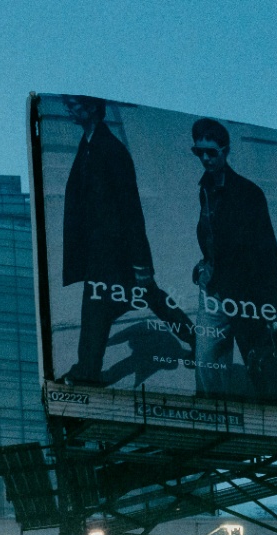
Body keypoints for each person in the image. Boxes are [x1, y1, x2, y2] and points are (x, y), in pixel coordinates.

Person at [58, 96, 189, 385]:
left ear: (91, 108)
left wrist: (142, 262)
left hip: (116, 251)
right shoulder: (90, 145)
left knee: (102, 308)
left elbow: (131, 210)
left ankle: (87, 373)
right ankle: (195, 339)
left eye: (73, 105)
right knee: (143, 297)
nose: (68, 110)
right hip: (100, 250)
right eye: (66, 104)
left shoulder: (111, 150)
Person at [188, 117, 277, 403]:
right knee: (207, 361)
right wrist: (204, 263)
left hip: (247, 295)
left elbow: (267, 252)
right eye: (200, 152)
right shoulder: (205, 189)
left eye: (212, 152)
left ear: (226, 150)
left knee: (266, 361)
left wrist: (276, 304)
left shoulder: (248, 194)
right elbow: (213, 237)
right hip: (213, 291)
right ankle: (210, 418)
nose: (205, 159)